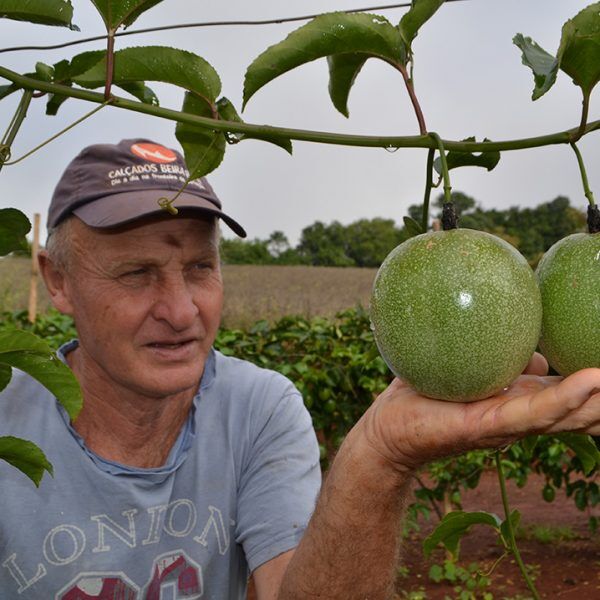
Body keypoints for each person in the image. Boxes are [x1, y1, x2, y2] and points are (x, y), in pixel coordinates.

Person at [0, 138, 599, 600]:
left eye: (201, 269)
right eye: (137, 274)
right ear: (57, 280)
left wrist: (381, 454)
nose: (182, 312)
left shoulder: (258, 408)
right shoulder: (8, 423)